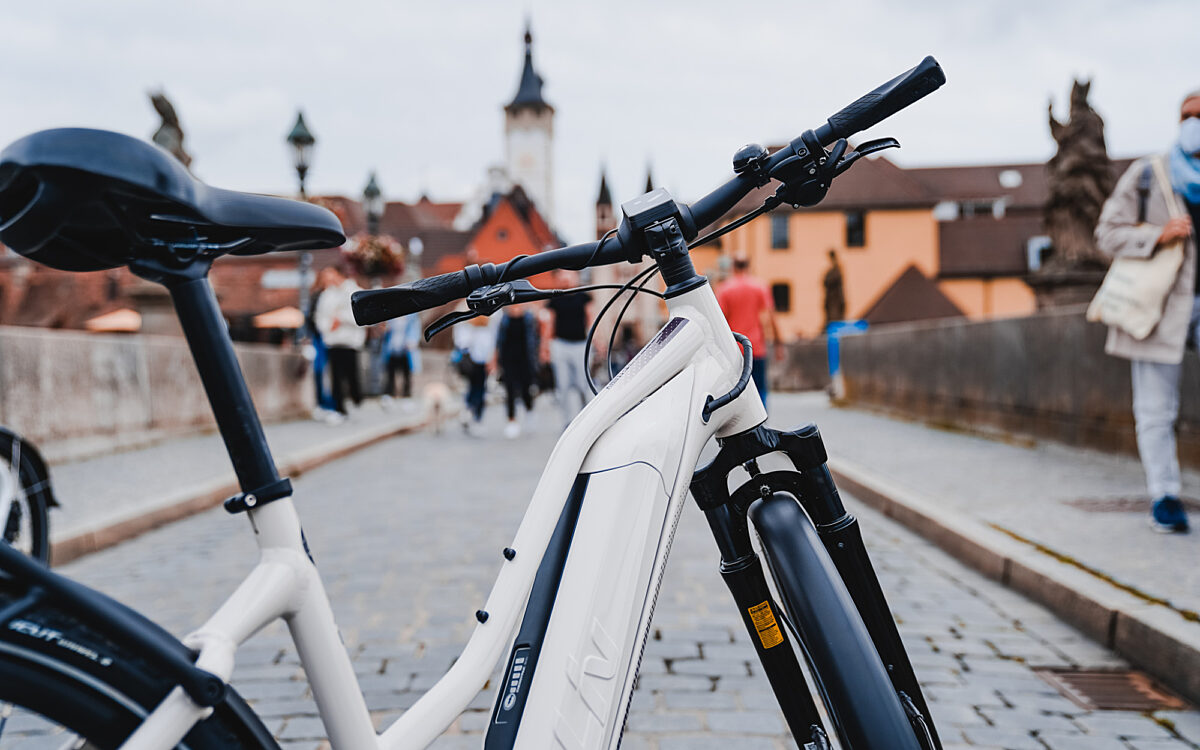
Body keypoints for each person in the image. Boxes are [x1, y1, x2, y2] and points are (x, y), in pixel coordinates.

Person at [1095, 89, 1200, 533]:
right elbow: (1106, 234)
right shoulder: (1147, 175)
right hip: (1158, 305)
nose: (1194, 122)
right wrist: (1157, 235)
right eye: (1188, 114)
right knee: (1156, 408)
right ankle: (1165, 496)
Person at [716, 252, 782, 408]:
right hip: (756, 347)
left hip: (734, 349)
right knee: (760, 390)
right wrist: (779, 343)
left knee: (736, 391)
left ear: (733, 266)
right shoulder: (759, 287)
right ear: (749, 266)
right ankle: (761, 427)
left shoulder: (725, 289)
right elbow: (770, 317)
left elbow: (719, 321)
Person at [313, 265, 365, 420]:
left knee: (351, 375)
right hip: (333, 341)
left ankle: (356, 399)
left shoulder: (353, 291)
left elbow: (362, 317)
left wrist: (340, 319)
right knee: (335, 377)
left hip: (350, 342)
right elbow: (320, 317)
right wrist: (328, 327)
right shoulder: (326, 295)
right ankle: (339, 409)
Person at [545, 269, 593, 427]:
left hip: (580, 345)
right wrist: (545, 346)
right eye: (562, 277)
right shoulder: (555, 298)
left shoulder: (583, 296)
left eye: (568, 276)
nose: (565, 279)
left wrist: (597, 340)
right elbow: (550, 324)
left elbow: (590, 319)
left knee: (583, 383)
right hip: (560, 345)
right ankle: (566, 421)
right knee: (563, 385)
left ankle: (586, 417)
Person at [495, 303, 540, 438]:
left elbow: (535, 337)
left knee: (526, 388)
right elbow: (498, 340)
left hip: (525, 358)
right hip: (508, 359)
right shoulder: (503, 317)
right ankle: (511, 420)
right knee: (509, 389)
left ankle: (529, 413)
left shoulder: (528, 317)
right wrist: (495, 358)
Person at [453, 313, 494, 436]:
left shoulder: (468, 328)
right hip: (477, 363)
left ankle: (469, 412)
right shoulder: (474, 329)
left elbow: (461, 343)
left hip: (476, 363)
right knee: (479, 390)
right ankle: (474, 415)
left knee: (473, 389)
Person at [383, 313, 421, 404]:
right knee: (391, 372)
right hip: (392, 347)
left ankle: (406, 394)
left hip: (406, 349)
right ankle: (390, 393)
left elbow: (415, 329)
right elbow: (386, 329)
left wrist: (412, 341)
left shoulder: (412, 316)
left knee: (406, 373)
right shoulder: (391, 316)